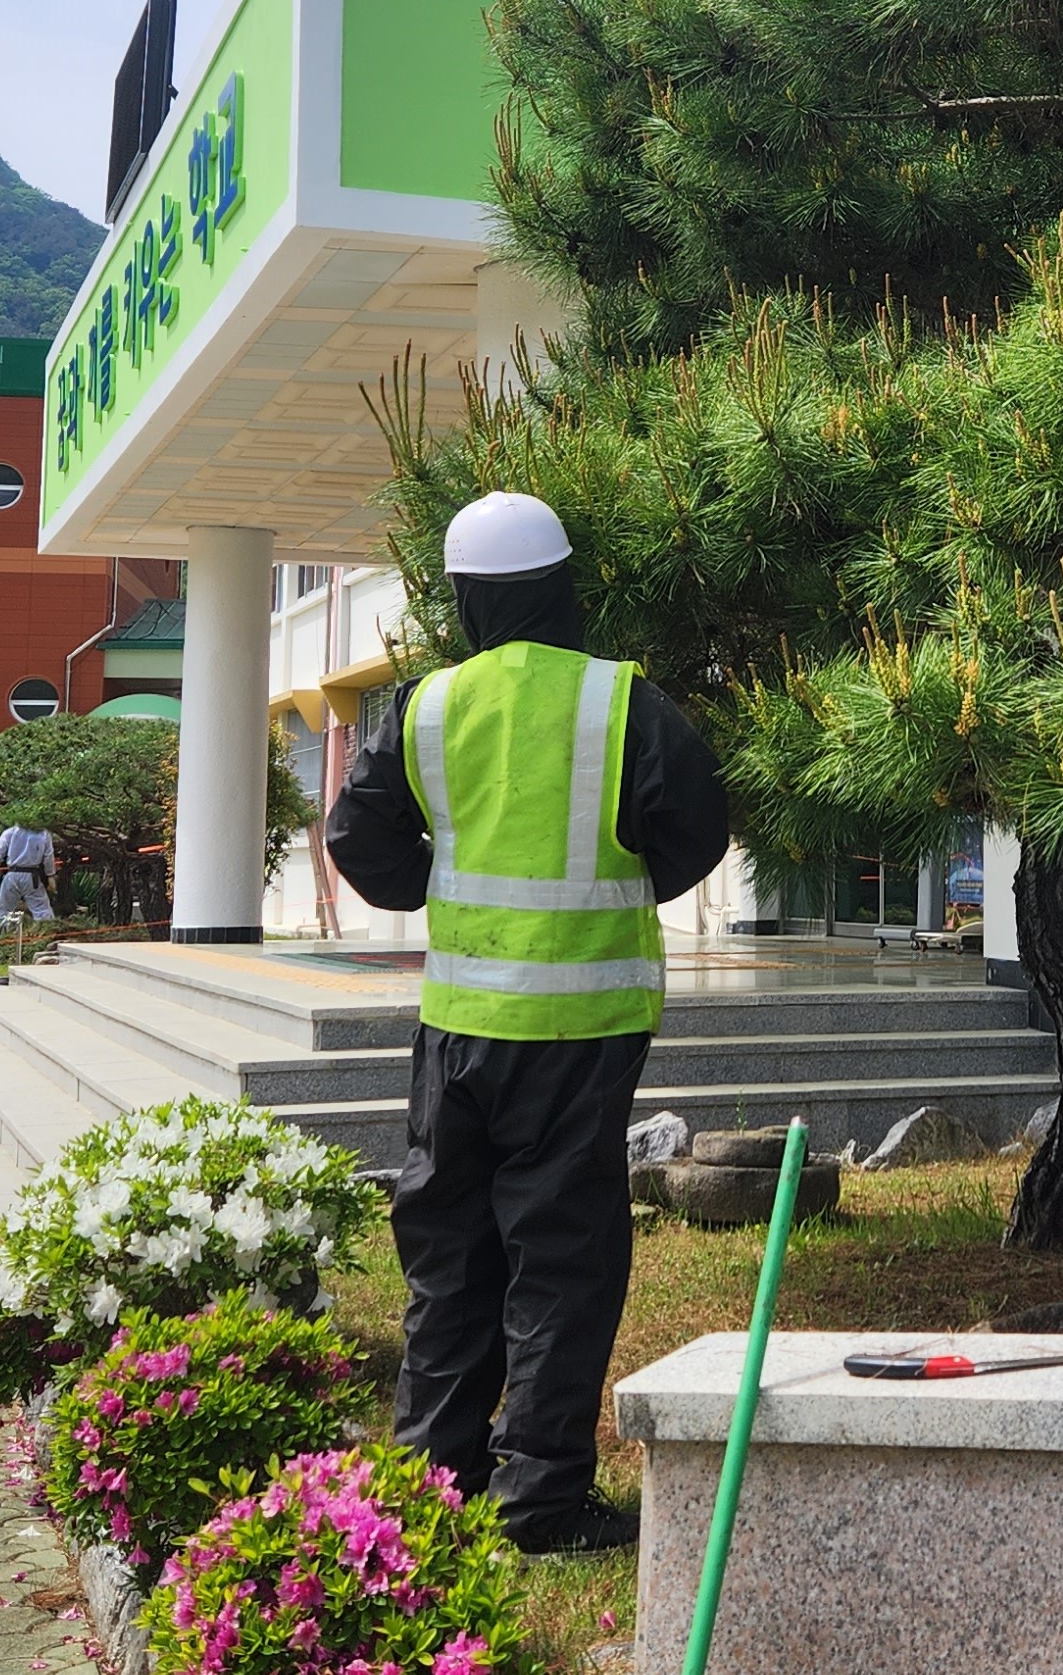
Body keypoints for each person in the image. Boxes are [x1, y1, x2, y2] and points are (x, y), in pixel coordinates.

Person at [326, 490, 728, 1557]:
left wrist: (431, 881)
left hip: (456, 1028)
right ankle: (539, 1502)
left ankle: (432, 1482)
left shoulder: (425, 705)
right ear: (563, 590)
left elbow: (356, 833)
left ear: (466, 599)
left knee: (447, 1254)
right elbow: (697, 826)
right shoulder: (620, 700)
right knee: (561, 1259)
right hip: (581, 1032)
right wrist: (626, 881)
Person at [0, 818, 57, 930]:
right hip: (31, 876)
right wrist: (50, 876)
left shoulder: (10, 832)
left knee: (3, 909)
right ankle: (47, 931)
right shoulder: (43, 833)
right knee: (41, 908)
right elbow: (48, 857)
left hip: (12, 874)